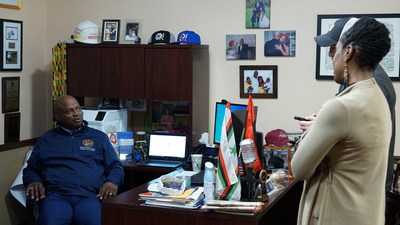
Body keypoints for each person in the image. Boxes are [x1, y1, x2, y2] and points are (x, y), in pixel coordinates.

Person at [292, 17, 392, 225]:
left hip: (335, 212)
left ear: (348, 52)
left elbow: (299, 168)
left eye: (335, 49)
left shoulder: (340, 106)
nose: (332, 57)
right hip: (365, 214)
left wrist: (312, 136)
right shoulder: (377, 95)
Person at [23, 95, 124, 225]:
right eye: (69, 111)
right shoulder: (47, 139)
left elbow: (116, 167)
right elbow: (30, 169)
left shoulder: (99, 137)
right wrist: (33, 181)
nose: (76, 114)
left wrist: (112, 182)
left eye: (78, 108)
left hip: (90, 196)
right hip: (57, 196)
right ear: (57, 116)